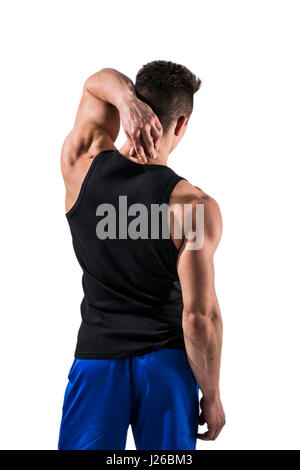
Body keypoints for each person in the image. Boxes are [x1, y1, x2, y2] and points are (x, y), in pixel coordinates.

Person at [58, 61, 225, 450]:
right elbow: (199, 317)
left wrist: (124, 99)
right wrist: (212, 396)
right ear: (181, 124)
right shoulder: (193, 207)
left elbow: (93, 83)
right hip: (165, 369)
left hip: (97, 362)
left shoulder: (80, 164)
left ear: (131, 108)